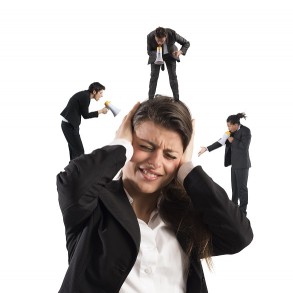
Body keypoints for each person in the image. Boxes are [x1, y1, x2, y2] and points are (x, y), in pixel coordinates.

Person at [57, 97, 253, 293]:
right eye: (145, 147)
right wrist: (120, 145)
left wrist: (187, 169)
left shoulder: (185, 217)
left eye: (170, 155)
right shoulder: (93, 205)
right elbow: (72, 185)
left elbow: (239, 236)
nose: (155, 162)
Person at [198, 113, 251, 215]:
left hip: (243, 165)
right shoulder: (230, 132)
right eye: (228, 126)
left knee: (242, 189)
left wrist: (233, 140)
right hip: (234, 164)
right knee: (234, 188)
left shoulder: (246, 131)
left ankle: (243, 212)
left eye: (230, 125)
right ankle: (234, 208)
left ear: (236, 124)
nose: (228, 128)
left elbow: (244, 147)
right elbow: (220, 142)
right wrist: (207, 148)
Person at [60, 82, 108, 160]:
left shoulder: (85, 95)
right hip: (69, 126)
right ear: (94, 91)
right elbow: (86, 115)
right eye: (100, 93)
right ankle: (76, 171)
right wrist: (101, 111)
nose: (102, 95)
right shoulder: (85, 97)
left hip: (70, 125)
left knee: (75, 152)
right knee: (79, 152)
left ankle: (73, 171)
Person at [147, 27, 190, 101]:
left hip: (171, 54)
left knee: (173, 76)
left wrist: (180, 52)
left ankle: (176, 100)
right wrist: (158, 56)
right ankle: (150, 100)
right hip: (156, 55)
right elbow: (149, 51)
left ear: (166, 36)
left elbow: (186, 43)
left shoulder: (172, 33)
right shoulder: (150, 36)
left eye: (162, 41)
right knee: (153, 77)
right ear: (155, 36)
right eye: (157, 40)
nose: (159, 43)